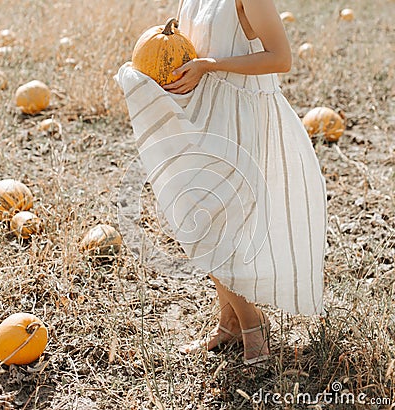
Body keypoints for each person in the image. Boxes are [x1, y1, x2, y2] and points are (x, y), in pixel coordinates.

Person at [115, 0, 327, 365]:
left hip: (240, 115)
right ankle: (229, 321)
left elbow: (280, 58)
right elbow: (184, 49)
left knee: (219, 222)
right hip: (202, 109)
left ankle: (252, 324)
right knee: (201, 217)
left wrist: (209, 66)